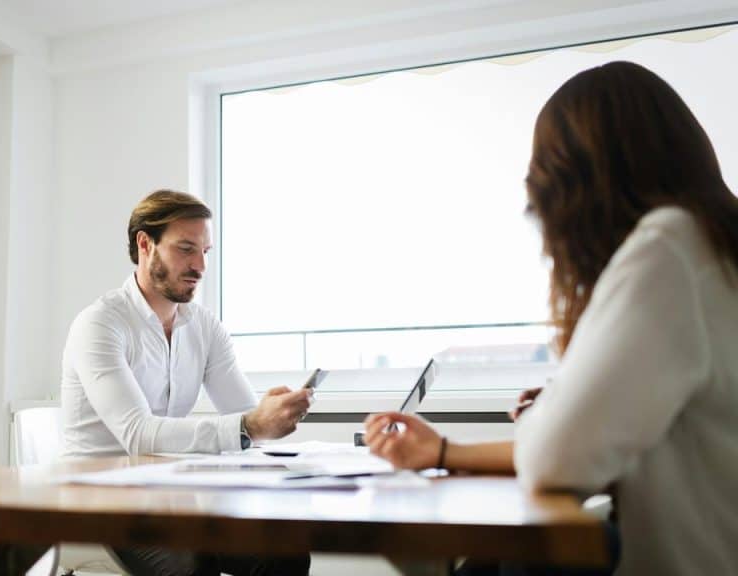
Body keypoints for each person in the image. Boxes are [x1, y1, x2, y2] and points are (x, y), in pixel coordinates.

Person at [364, 61, 738, 576]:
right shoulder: (715, 245)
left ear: (576, 180)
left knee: (465, 557)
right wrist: (564, 405)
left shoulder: (668, 247)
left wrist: (455, 445)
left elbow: (557, 460)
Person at [62, 189, 312, 575]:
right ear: (146, 244)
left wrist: (270, 416)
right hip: (103, 504)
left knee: (283, 552)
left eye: (205, 252)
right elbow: (139, 435)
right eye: (185, 249)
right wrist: (250, 425)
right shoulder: (100, 324)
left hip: (170, 498)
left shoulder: (204, 326)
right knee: (192, 565)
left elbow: (245, 421)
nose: (200, 265)